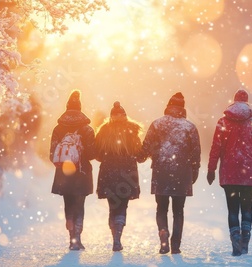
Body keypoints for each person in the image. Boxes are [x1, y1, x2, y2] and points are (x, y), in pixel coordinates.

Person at [207, 89, 252, 256]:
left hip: (230, 174)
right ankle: (245, 240)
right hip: (249, 174)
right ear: (247, 102)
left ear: (233, 102)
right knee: (247, 210)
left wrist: (211, 169)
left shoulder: (223, 122)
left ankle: (235, 239)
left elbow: (216, 147)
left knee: (233, 210)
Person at [141, 92, 201, 254]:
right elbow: (196, 153)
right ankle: (176, 245)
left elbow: (145, 149)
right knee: (178, 210)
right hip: (182, 173)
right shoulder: (189, 127)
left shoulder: (157, 124)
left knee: (161, 208)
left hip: (161, 171)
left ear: (168, 107)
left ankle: (163, 235)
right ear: (182, 108)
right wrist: (194, 171)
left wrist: (139, 156)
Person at [95, 101, 144, 252]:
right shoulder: (132, 130)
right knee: (122, 205)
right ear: (124, 115)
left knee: (112, 206)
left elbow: (96, 153)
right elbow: (139, 154)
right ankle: (118, 237)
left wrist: (107, 157)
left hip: (108, 172)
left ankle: (115, 237)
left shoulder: (104, 130)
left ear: (111, 116)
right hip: (127, 173)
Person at [50, 90, 95, 250]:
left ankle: (71, 239)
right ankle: (77, 236)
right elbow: (92, 153)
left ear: (67, 107)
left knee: (68, 204)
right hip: (81, 173)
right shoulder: (87, 129)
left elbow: (52, 154)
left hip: (64, 174)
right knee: (79, 205)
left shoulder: (58, 129)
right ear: (80, 108)